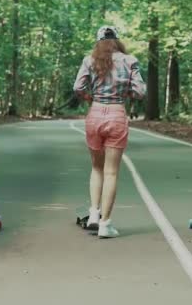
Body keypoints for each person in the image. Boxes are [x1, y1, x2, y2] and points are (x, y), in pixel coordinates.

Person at [73, 26, 146, 238]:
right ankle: (105, 224)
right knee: (111, 172)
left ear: (98, 42)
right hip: (117, 114)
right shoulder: (130, 60)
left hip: (95, 114)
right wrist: (127, 93)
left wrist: (89, 97)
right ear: (117, 41)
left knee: (96, 168)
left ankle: (94, 214)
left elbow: (78, 87)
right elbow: (141, 91)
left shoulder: (89, 60)